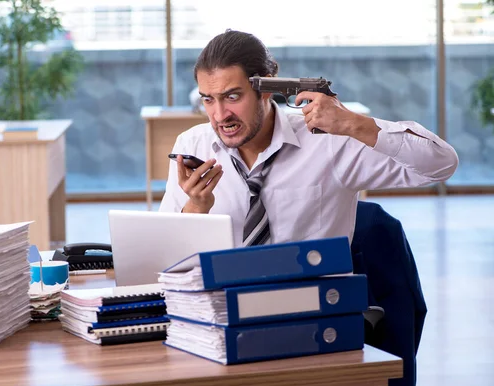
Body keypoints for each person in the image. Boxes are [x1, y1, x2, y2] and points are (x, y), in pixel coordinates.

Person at [159, 29, 458, 246]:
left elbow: (441, 164)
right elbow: (164, 254)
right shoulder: (192, 145)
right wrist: (196, 207)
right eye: (208, 100)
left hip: (312, 313)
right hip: (222, 311)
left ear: (267, 84)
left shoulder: (330, 141)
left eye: (233, 96)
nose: (220, 115)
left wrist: (354, 124)